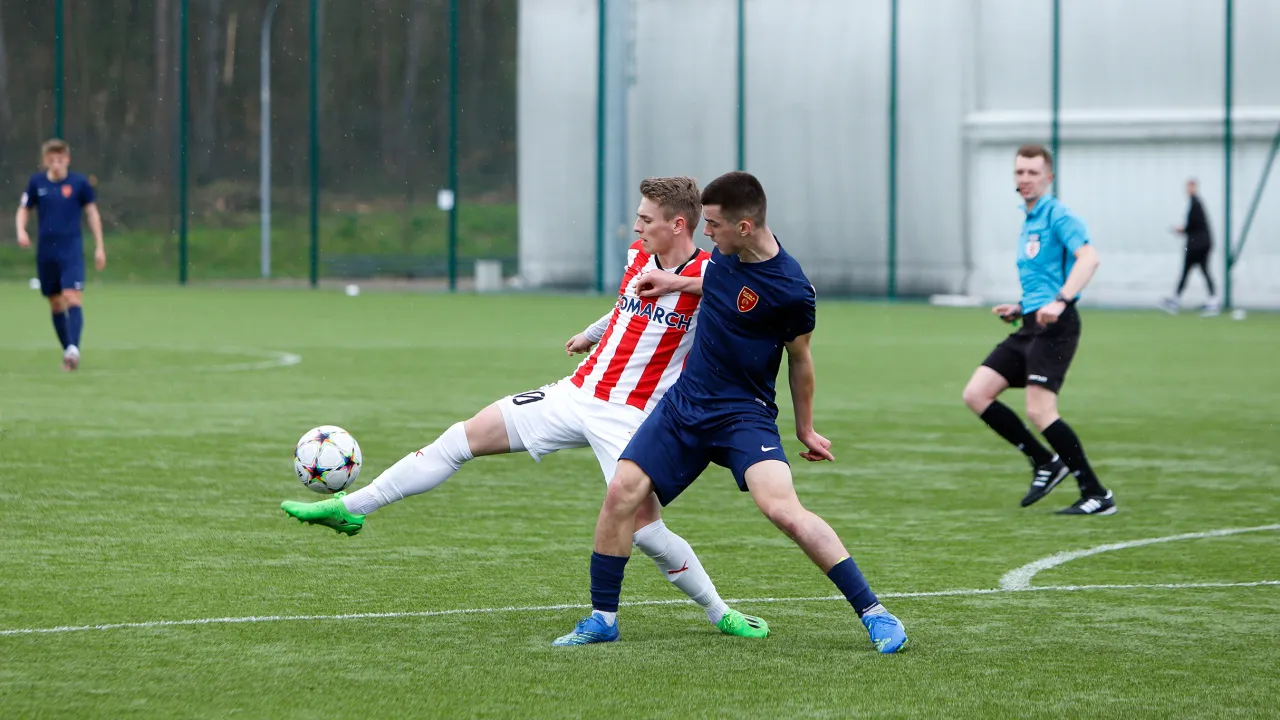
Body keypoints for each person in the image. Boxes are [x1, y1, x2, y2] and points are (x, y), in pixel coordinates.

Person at [282, 177, 770, 639]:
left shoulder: (712, 273)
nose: (637, 225)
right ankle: (351, 508)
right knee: (462, 438)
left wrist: (684, 286)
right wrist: (591, 333)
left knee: (645, 531)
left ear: (678, 225)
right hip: (576, 392)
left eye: (646, 219)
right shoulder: (638, 257)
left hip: (630, 415)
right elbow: (628, 303)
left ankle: (720, 611)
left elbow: (758, 296)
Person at [552, 171, 908, 654]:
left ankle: (876, 613)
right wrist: (674, 280)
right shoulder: (725, 254)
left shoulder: (793, 290)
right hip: (686, 404)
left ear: (744, 227)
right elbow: (716, 281)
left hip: (744, 414)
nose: (706, 233)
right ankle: (602, 619)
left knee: (783, 511)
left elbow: (800, 359)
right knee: (622, 492)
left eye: (714, 225)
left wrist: (804, 428)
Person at [961, 145, 1115, 516]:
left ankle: (1097, 494)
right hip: (1030, 323)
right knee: (977, 394)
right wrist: (1021, 307)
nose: (1025, 179)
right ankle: (1045, 461)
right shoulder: (1029, 219)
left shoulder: (1058, 215)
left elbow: (1089, 259)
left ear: (1049, 177)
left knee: (1040, 410)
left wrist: (1060, 301)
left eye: (1033, 172)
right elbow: (1043, 278)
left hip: (1056, 327)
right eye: (1020, 172)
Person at [14, 139, 107, 371]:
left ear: (67, 159)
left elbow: (92, 214)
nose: (56, 163)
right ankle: (69, 351)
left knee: (72, 296)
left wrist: (99, 246)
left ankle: (73, 349)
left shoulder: (79, 183)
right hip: (46, 252)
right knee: (56, 303)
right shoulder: (36, 183)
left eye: (60, 159)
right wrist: (21, 230)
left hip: (70, 250)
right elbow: (24, 209)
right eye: (51, 159)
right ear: (45, 161)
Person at [1162, 179, 1218, 317]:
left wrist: (1182, 229)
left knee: (1198, 270)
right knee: (1194, 271)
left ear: (1195, 188)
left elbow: (1193, 226)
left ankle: (1211, 301)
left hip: (1198, 245)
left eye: (1191, 187)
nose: (1188, 189)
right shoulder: (1195, 203)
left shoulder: (1196, 204)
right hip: (1199, 244)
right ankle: (1179, 299)